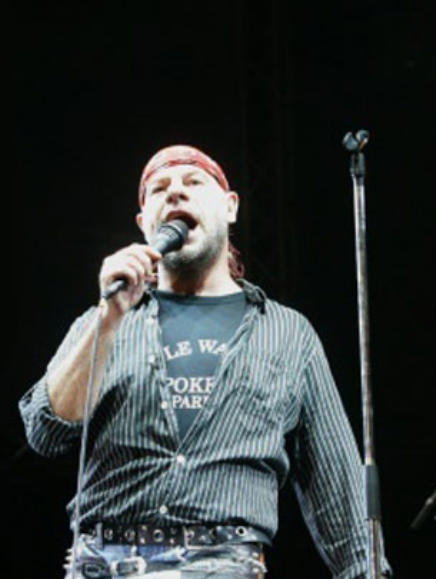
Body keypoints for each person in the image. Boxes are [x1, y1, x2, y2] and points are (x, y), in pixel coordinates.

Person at [19, 144, 389, 578]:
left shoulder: (288, 334)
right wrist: (108, 318)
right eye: (159, 189)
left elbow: (337, 488)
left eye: (193, 182)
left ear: (230, 208)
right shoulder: (103, 322)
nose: (175, 192)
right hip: (106, 561)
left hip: (223, 562)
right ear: (143, 223)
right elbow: (44, 431)